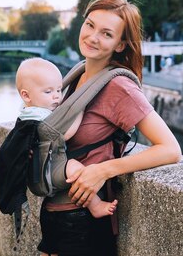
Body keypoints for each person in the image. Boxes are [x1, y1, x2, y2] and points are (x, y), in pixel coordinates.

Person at [38, 0, 181, 256]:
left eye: (106, 33)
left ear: (120, 44)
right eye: (90, 25)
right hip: (53, 214)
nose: (92, 36)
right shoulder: (75, 77)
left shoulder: (118, 87)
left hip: (85, 224)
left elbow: (170, 149)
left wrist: (104, 170)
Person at [15, 57, 118, 218]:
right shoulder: (40, 115)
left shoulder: (28, 113)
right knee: (77, 170)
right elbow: (67, 133)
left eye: (58, 90)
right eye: (48, 92)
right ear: (26, 96)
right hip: (50, 170)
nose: (56, 96)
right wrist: (79, 109)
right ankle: (95, 205)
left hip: (40, 171)